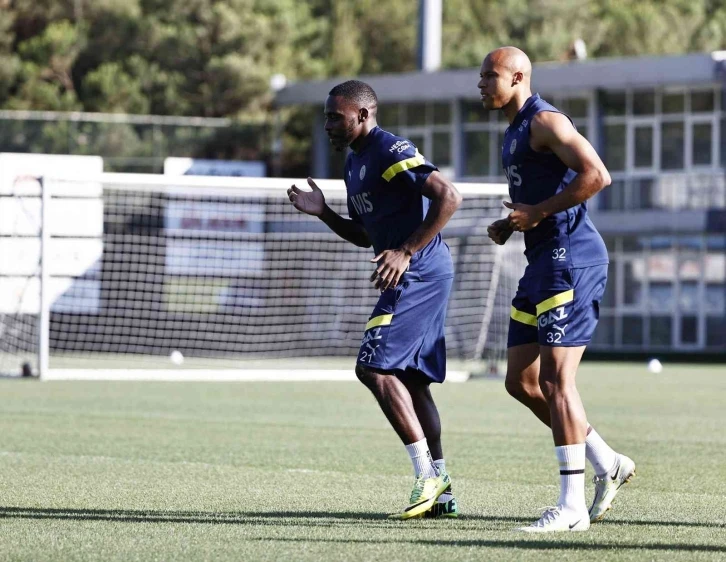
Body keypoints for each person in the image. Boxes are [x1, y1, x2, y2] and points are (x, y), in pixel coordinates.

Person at [287, 80, 462, 519]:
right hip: (413, 271)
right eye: (326, 116)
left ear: (363, 115)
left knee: (372, 367)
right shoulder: (354, 162)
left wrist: (406, 252)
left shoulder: (389, 149)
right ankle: (442, 490)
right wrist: (324, 213)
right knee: (412, 380)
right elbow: (365, 235)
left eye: (336, 116)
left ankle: (427, 476)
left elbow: (449, 197)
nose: (328, 125)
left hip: (419, 271)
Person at [480, 47, 635, 532]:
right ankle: (606, 461)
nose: (481, 84)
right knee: (520, 382)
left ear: (518, 77)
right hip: (541, 264)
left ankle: (571, 509)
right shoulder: (512, 132)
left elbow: (598, 175)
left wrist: (539, 212)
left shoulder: (545, 121)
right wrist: (514, 223)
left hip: (572, 262)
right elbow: (538, 201)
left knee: (555, 382)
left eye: (490, 76)